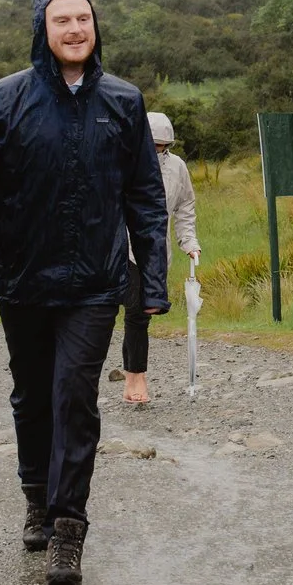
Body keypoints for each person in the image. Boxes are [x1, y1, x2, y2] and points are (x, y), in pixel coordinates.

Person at [0, 0, 169, 585]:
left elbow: (146, 198)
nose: (74, 29)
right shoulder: (2, 101)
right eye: (62, 19)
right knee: (33, 397)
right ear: (42, 29)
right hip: (21, 279)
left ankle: (69, 527)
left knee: (74, 396)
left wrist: (153, 275)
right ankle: (36, 497)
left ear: (96, 29)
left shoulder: (123, 102)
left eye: (84, 19)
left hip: (96, 282)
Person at [114, 111, 200, 405]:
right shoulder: (121, 162)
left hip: (155, 252)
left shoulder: (177, 168)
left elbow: (185, 207)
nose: (156, 151)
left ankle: (135, 376)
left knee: (139, 315)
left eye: (161, 147)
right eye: (151, 145)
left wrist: (189, 241)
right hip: (119, 247)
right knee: (113, 310)